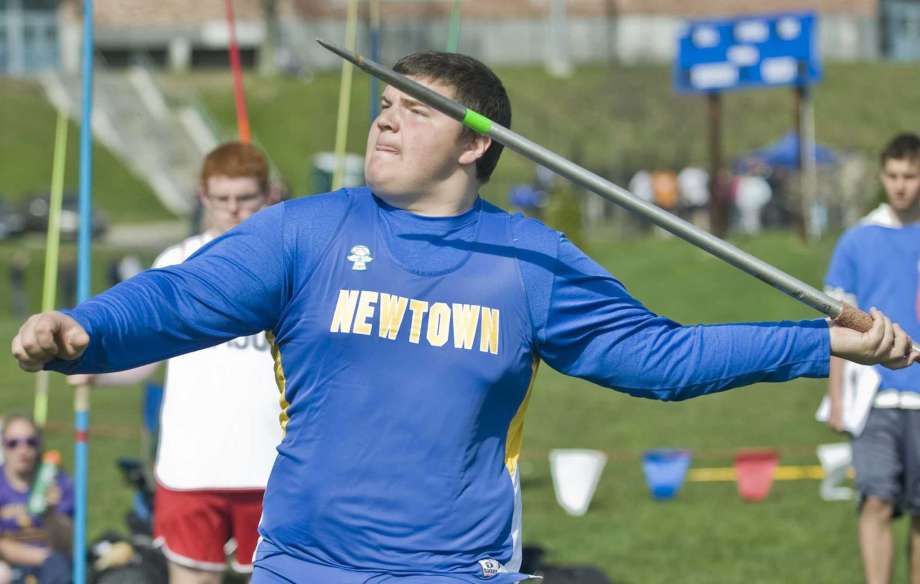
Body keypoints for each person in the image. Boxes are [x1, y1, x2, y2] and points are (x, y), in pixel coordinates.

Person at [10, 52, 918, 584]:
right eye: (384, 107)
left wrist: (819, 343)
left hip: (459, 569)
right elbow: (178, 298)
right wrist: (86, 329)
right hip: (305, 563)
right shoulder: (305, 231)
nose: (386, 124)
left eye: (416, 112)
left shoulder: (532, 261)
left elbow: (660, 358)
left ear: (478, 144)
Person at [69, 142, 283, 583]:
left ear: (268, 195)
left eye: (245, 198)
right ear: (203, 197)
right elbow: (148, 357)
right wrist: (95, 367)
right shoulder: (178, 263)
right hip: (191, 469)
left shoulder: (290, 263)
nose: (233, 211)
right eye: (221, 200)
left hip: (273, 470)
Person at [824, 132, 920, 584]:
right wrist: (837, 398)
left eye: (911, 176)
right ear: (883, 176)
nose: (901, 185)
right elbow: (838, 327)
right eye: (893, 176)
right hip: (874, 395)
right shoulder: (857, 240)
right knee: (876, 499)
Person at [0, 415, 73, 584]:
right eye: (13, 443)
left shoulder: (57, 481)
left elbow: (67, 544)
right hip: (10, 566)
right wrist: (39, 557)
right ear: (3, 446)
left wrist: (51, 514)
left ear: (39, 445)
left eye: (30, 442)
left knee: (59, 567)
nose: (23, 450)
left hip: (53, 568)